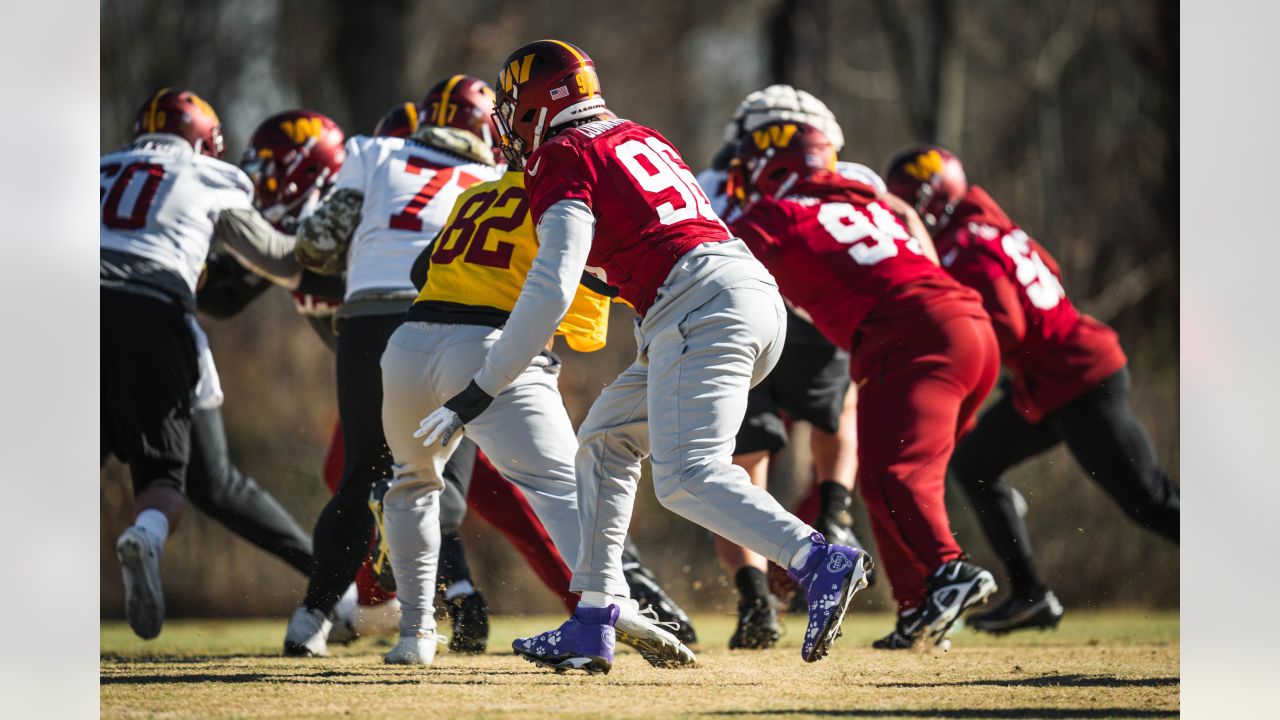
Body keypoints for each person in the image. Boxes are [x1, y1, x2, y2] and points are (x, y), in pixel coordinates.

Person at [415, 40, 872, 674]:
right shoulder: (637, 135)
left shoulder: (563, 152)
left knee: (686, 476)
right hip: (739, 296)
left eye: (516, 108)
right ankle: (595, 615)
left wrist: (481, 388)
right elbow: (637, 240)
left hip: (696, 306)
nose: (512, 126)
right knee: (602, 444)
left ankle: (819, 559)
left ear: (536, 107)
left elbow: (552, 283)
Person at [727, 121, 1001, 650]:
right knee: (889, 478)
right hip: (969, 326)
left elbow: (711, 264)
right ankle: (919, 605)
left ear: (774, 167)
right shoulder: (870, 198)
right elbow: (910, 225)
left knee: (891, 474)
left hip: (909, 338)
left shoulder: (776, 212)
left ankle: (950, 571)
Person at [884, 146, 1180, 634]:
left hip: (1082, 379)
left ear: (934, 200)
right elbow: (1052, 271)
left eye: (912, 206)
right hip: (1051, 381)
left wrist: (953, 362)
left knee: (1150, 500)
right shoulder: (990, 226)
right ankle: (1029, 594)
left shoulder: (964, 244)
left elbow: (1008, 328)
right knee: (975, 463)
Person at [281, 76, 501, 657]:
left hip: (368, 317)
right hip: (454, 320)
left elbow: (318, 244)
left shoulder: (374, 151)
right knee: (443, 484)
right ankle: (412, 590)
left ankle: (309, 622)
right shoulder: (494, 180)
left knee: (357, 474)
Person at [697, 85, 870, 649]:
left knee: (735, 467)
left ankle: (754, 602)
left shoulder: (710, 184)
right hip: (814, 319)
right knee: (839, 406)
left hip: (733, 323)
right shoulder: (854, 179)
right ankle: (836, 509)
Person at [101, 88, 256, 639]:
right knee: (166, 477)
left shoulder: (101, 166)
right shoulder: (209, 174)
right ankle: (145, 533)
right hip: (149, 306)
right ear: (200, 139)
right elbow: (265, 251)